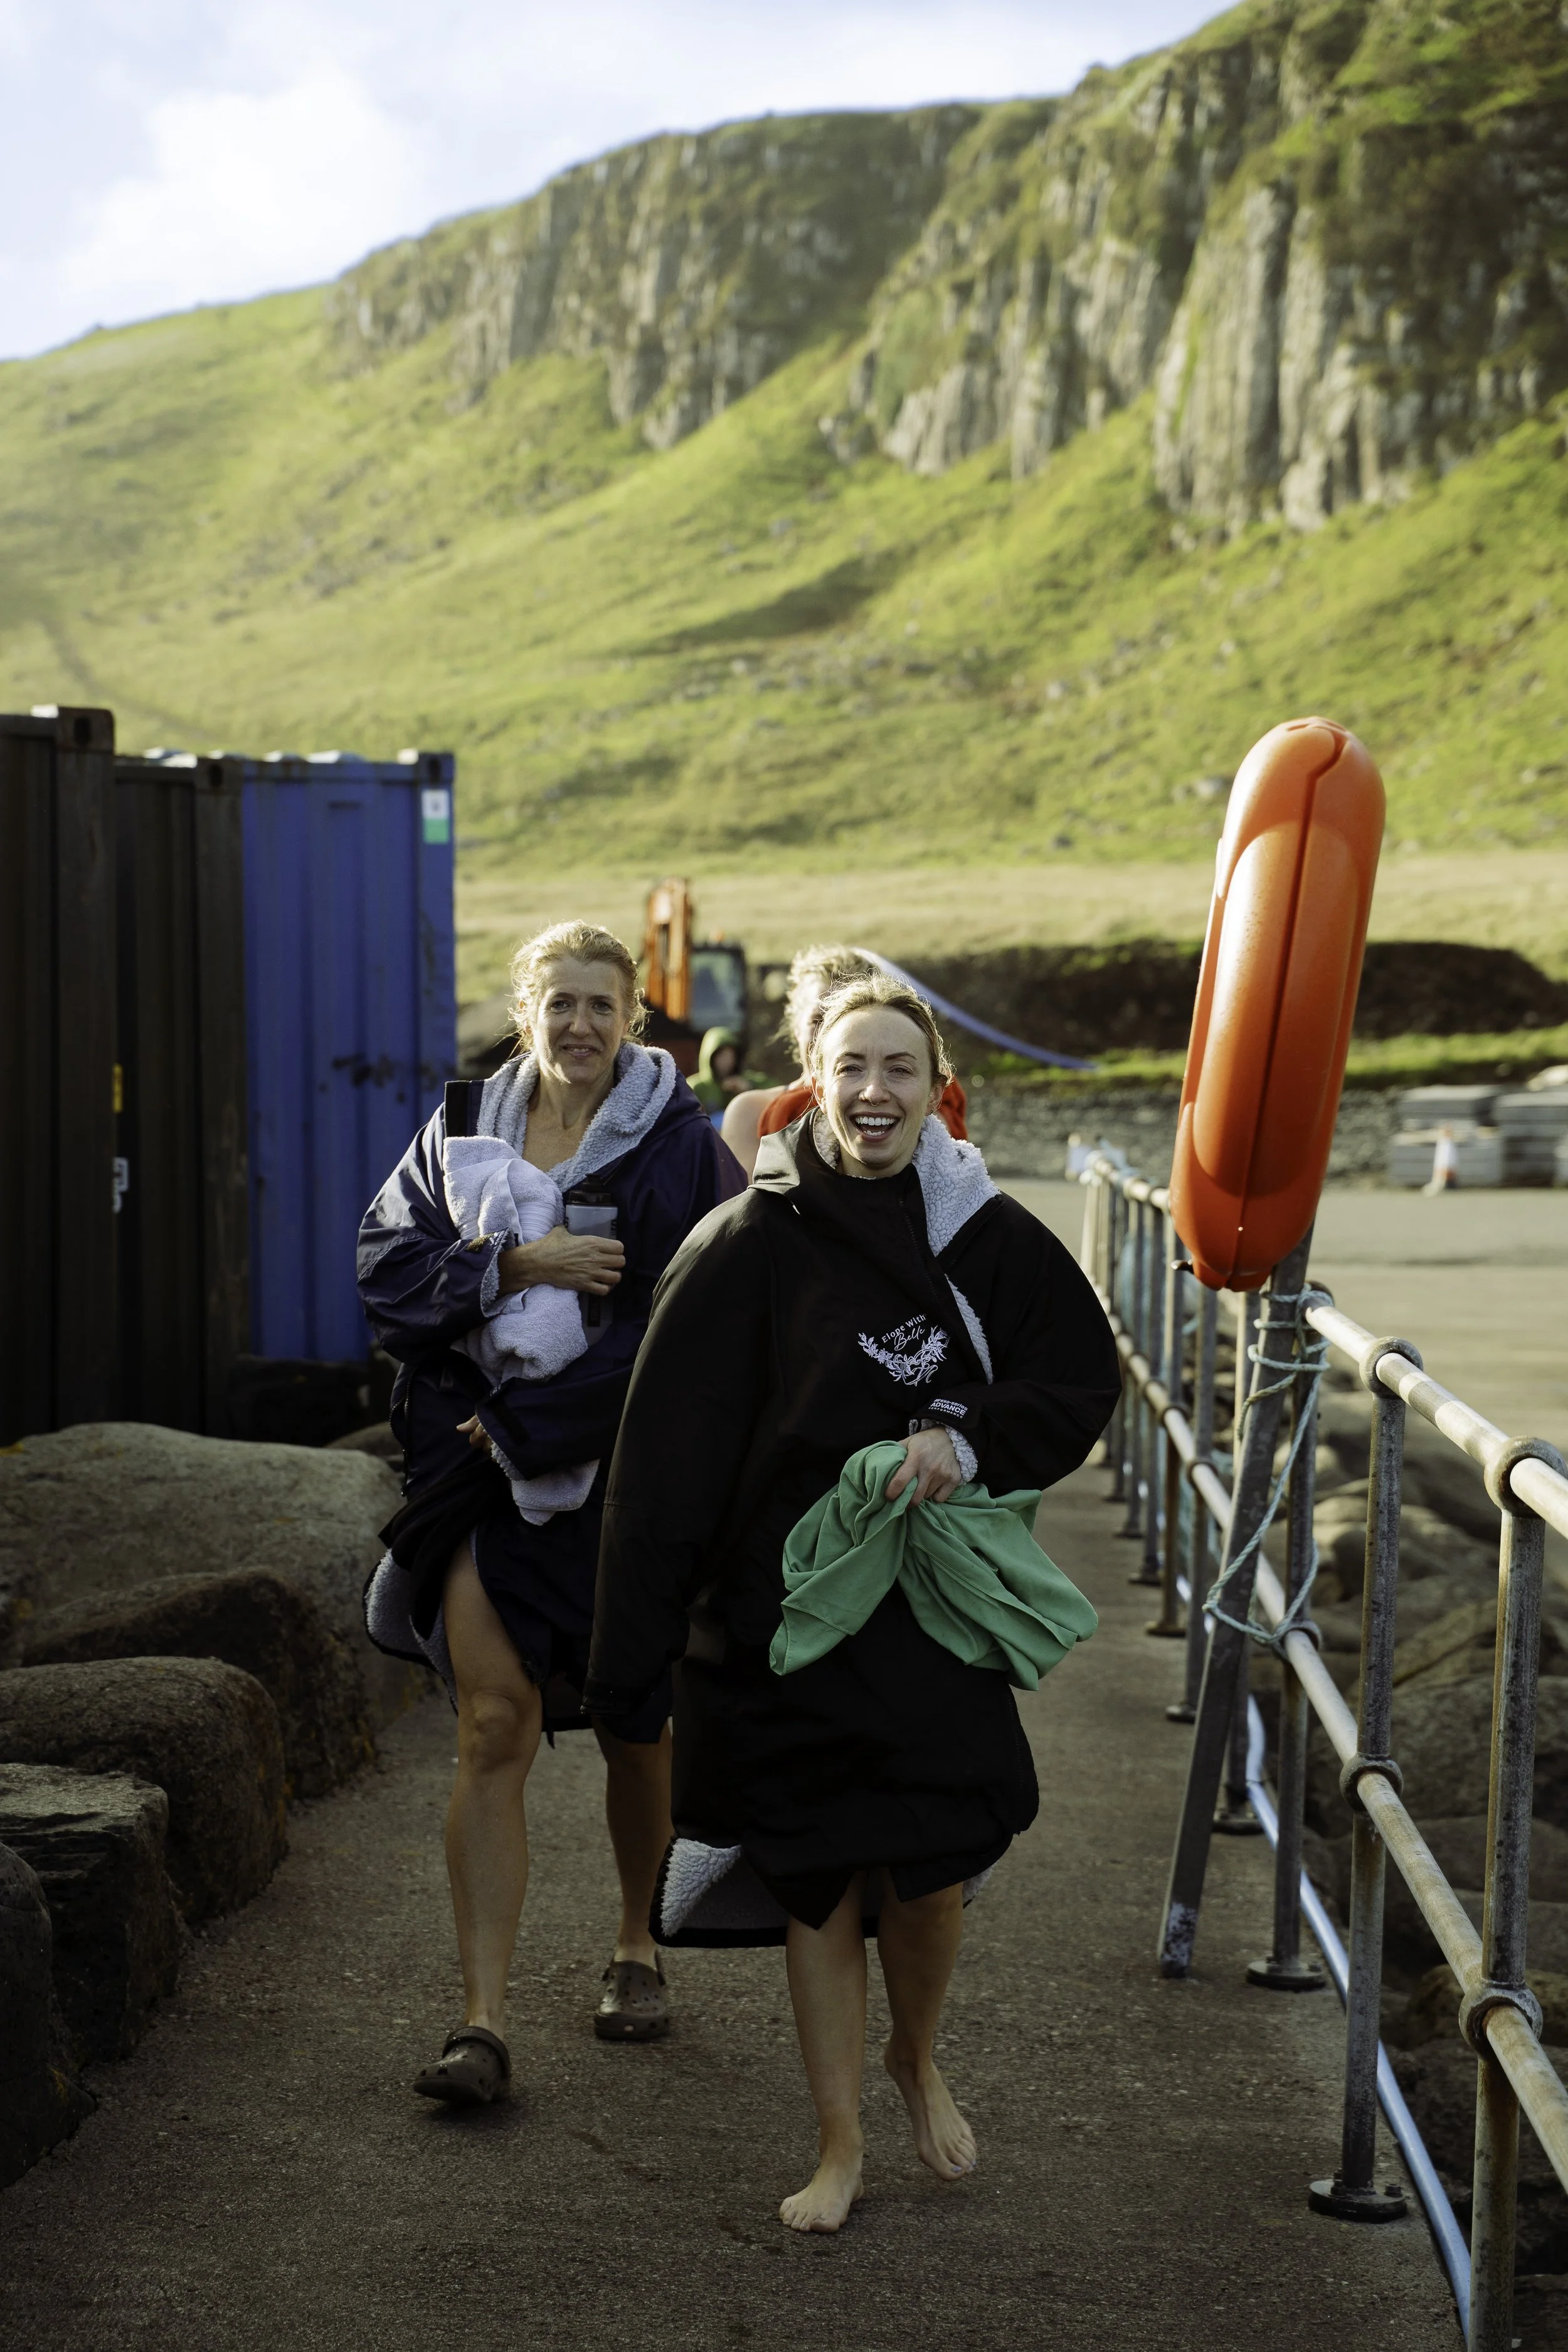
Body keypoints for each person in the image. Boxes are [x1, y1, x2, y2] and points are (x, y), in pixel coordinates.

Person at [587, 974, 1120, 2230]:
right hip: (778, 1618)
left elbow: (1076, 1375)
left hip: (928, 1609)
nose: (874, 1092)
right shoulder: (745, 1243)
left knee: (929, 1871)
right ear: (812, 1086)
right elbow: (661, 1466)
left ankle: (913, 2058)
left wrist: (964, 1435)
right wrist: (631, 1659)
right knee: (816, 1880)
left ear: (935, 1091)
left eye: (899, 1070)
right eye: (852, 1068)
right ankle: (838, 2145)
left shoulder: (985, 1235)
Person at [358, 920, 744, 2104]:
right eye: (559, 1003)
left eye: (601, 1004)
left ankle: (636, 1948)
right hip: (476, 1476)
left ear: (634, 1018)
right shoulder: (460, 1129)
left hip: (626, 1480)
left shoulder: (681, 1149)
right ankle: (480, 2023)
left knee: (636, 1725)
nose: (580, 1024)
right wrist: (516, 1268)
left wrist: (537, 1421)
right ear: (525, 1012)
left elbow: (701, 1332)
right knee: (493, 1725)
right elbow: (384, 1272)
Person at [721, 943, 968, 1179]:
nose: (831, 1035)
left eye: (846, 1021)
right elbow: (748, 1203)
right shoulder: (751, 1111)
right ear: (796, 1026)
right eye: (819, 1020)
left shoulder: (914, 1097)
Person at [691, 1026, 765, 1124]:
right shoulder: (695, 1087)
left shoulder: (749, 1080)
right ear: (710, 1057)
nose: (727, 1061)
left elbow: (774, 1093)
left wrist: (749, 1090)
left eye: (731, 1055)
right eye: (722, 1056)